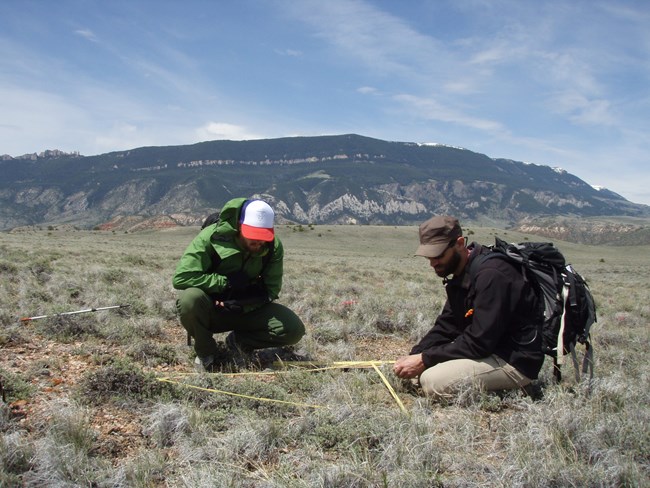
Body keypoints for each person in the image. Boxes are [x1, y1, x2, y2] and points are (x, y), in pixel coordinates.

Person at [393, 216, 544, 399]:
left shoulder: (492, 275)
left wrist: (425, 359)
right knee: (418, 372)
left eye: (439, 255)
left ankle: (515, 389)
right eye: (429, 257)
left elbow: (479, 342)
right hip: (488, 351)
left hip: (513, 360)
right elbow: (447, 325)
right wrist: (416, 353)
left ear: (459, 243)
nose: (433, 263)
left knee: (432, 382)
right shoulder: (461, 273)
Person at [172, 197, 305, 371]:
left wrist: (243, 304)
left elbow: (271, 290)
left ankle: (239, 342)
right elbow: (182, 277)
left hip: (246, 308)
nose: (258, 243)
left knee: (292, 328)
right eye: (252, 236)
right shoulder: (211, 237)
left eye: (262, 237)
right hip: (212, 308)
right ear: (239, 226)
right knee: (189, 299)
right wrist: (225, 283)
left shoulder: (272, 247)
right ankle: (207, 352)